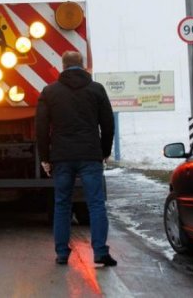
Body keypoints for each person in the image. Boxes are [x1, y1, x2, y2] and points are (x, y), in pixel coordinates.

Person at [35, 50, 116, 266]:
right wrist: (105, 151)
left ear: (63, 66)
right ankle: (99, 252)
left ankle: (62, 253)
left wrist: (45, 157)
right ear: (82, 65)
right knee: (96, 204)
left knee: (62, 204)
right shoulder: (96, 90)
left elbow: (41, 128)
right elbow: (108, 125)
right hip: (90, 155)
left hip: (61, 156)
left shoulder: (50, 92)